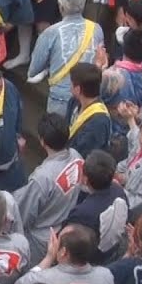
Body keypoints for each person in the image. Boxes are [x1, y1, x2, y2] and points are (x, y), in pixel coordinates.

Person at [15, 113, 86, 263]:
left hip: (39, 241)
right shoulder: (77, 157)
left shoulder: (42, 177)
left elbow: (22, 215)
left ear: (42, 141)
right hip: (62, 227)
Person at [11, 224, 117, 284]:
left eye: (58, 239)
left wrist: (49, 257)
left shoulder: (43, 279)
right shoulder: (106, 276)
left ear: (63, 252)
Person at [28, 0, 103, 116]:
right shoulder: (96, 29)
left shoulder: (50, 33)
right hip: (88, 98)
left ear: (61, 6)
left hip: (60, 98)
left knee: (56, 129)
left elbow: (33, 70)